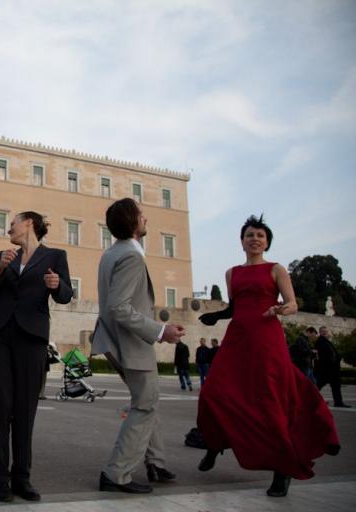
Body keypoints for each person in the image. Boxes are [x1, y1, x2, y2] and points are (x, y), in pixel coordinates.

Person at [197, 215, 340, 498]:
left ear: (267, 243)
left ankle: (282, 471)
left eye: (260, 236)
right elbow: (234, 307)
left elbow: (292, 303)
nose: (255, 239)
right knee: (213, 391)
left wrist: (281, 309)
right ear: (242, 241)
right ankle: (215, 443)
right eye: (250, 235)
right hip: (238, 338)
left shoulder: (276, 269)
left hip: (266, 338)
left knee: (271, 401)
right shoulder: (231, 273)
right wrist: (217, 315)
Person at [0, 211, 73, 502]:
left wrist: (57, 285)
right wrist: (0, 269)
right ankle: (0, 477)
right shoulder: (2, 255)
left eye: (13, 223)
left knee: (25, 408)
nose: (9, 228)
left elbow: (65, 295)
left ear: (29, 223)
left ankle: (21, 477)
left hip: (31, 337)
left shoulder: (55, 256)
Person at [91, 198, 184, 494]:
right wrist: (161, 330)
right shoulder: (131, 256)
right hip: (130, 344)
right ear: (133, 222)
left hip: (112, 340)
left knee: (146, 400)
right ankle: (117, 473)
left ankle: (155, 462)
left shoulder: (111, 253)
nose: (146, 219)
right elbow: (120, 307)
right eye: (141, 214)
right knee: (145, 404)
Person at [315, 326, 350, 407]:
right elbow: (324, 356)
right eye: (323, 331)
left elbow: (332, 353)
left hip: (333, 369)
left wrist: (337, 358)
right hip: (326, 369)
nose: (325, 332)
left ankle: (338, 402)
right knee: (319, 384)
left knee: (336, 386)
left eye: (326, 331)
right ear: (320, 332)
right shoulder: (320, 341)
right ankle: (308, 398)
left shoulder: (327, 341)